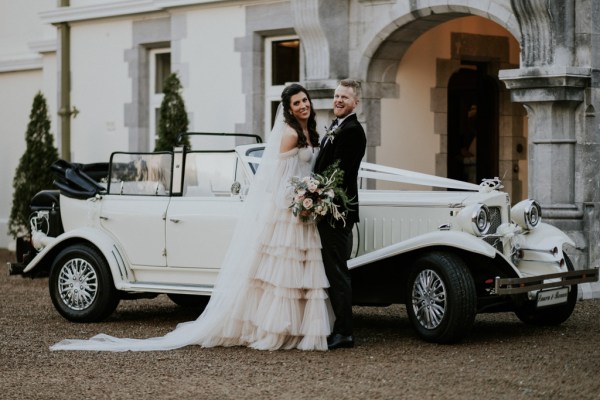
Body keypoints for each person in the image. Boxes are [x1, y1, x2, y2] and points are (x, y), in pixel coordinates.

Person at [50, 83, 332, 352]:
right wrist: (297, 200)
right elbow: (278, 178)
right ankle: (276, 327)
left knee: (294, 274)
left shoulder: (309, 132)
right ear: (289, 108)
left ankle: (293, 326)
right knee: (278, 276)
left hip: (299, 209)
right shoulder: (290, 134)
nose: (303, 105)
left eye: (305, 100)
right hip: (289, 209)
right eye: (297, 102)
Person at [313, 79, 366, 350]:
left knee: (337, 272)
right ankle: (338, 326)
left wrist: (314, 193)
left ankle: (344, 331)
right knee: (333, 270)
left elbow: (339, 174)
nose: (338, 100)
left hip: (337, 211)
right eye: (336, 96)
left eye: (344, 97)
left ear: (356, 102)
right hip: (329, 208)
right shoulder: (338, 126)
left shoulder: (353, 131)